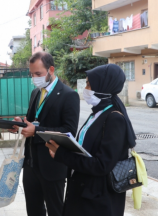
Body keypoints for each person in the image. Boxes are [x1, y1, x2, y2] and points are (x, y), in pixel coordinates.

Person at [45, 64, 137, 216]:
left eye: (89, 84)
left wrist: (62, 154)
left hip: (98, 200)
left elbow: (101, 165)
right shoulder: (97, 113)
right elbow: (84, 149)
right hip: (83, 191)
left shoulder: (114, 119)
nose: (85, 88)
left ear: (103, 86)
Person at [9, 52, 80, 216]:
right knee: (33, 211)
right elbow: (34, 121)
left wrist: (37, 131)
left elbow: (68, 131)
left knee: (55, 211)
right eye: (32, 74)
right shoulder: (36, 92)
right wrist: (21, 124)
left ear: (51, 69)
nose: (35, 78)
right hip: (31, 164)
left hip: (52, 166)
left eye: (38, 74)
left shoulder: (69, 95)